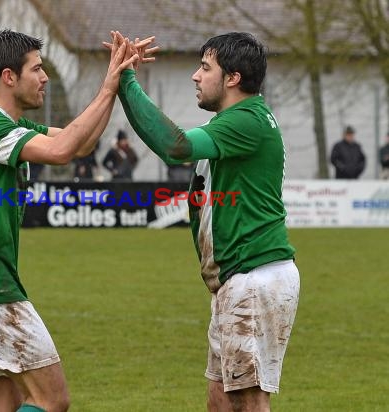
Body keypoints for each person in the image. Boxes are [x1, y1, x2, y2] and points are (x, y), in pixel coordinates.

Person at [0, 29, 137, 412]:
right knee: (52, 399)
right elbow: (64, 151)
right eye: (37, 68)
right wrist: (109, 83)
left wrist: (112, 87)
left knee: (3, 406)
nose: (45, 77)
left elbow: (80, 143)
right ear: (9, 77)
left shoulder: (0, 124)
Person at [111, 31, 300, 411]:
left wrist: (127, 80)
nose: (196, 77)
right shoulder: (235, 122)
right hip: (238, 279)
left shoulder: (246, 120)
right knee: (220, 399)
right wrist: (122, 82)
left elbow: (175, 145)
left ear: (232, 78)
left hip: (255, 277)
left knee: (248, 400)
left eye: (204, 68)